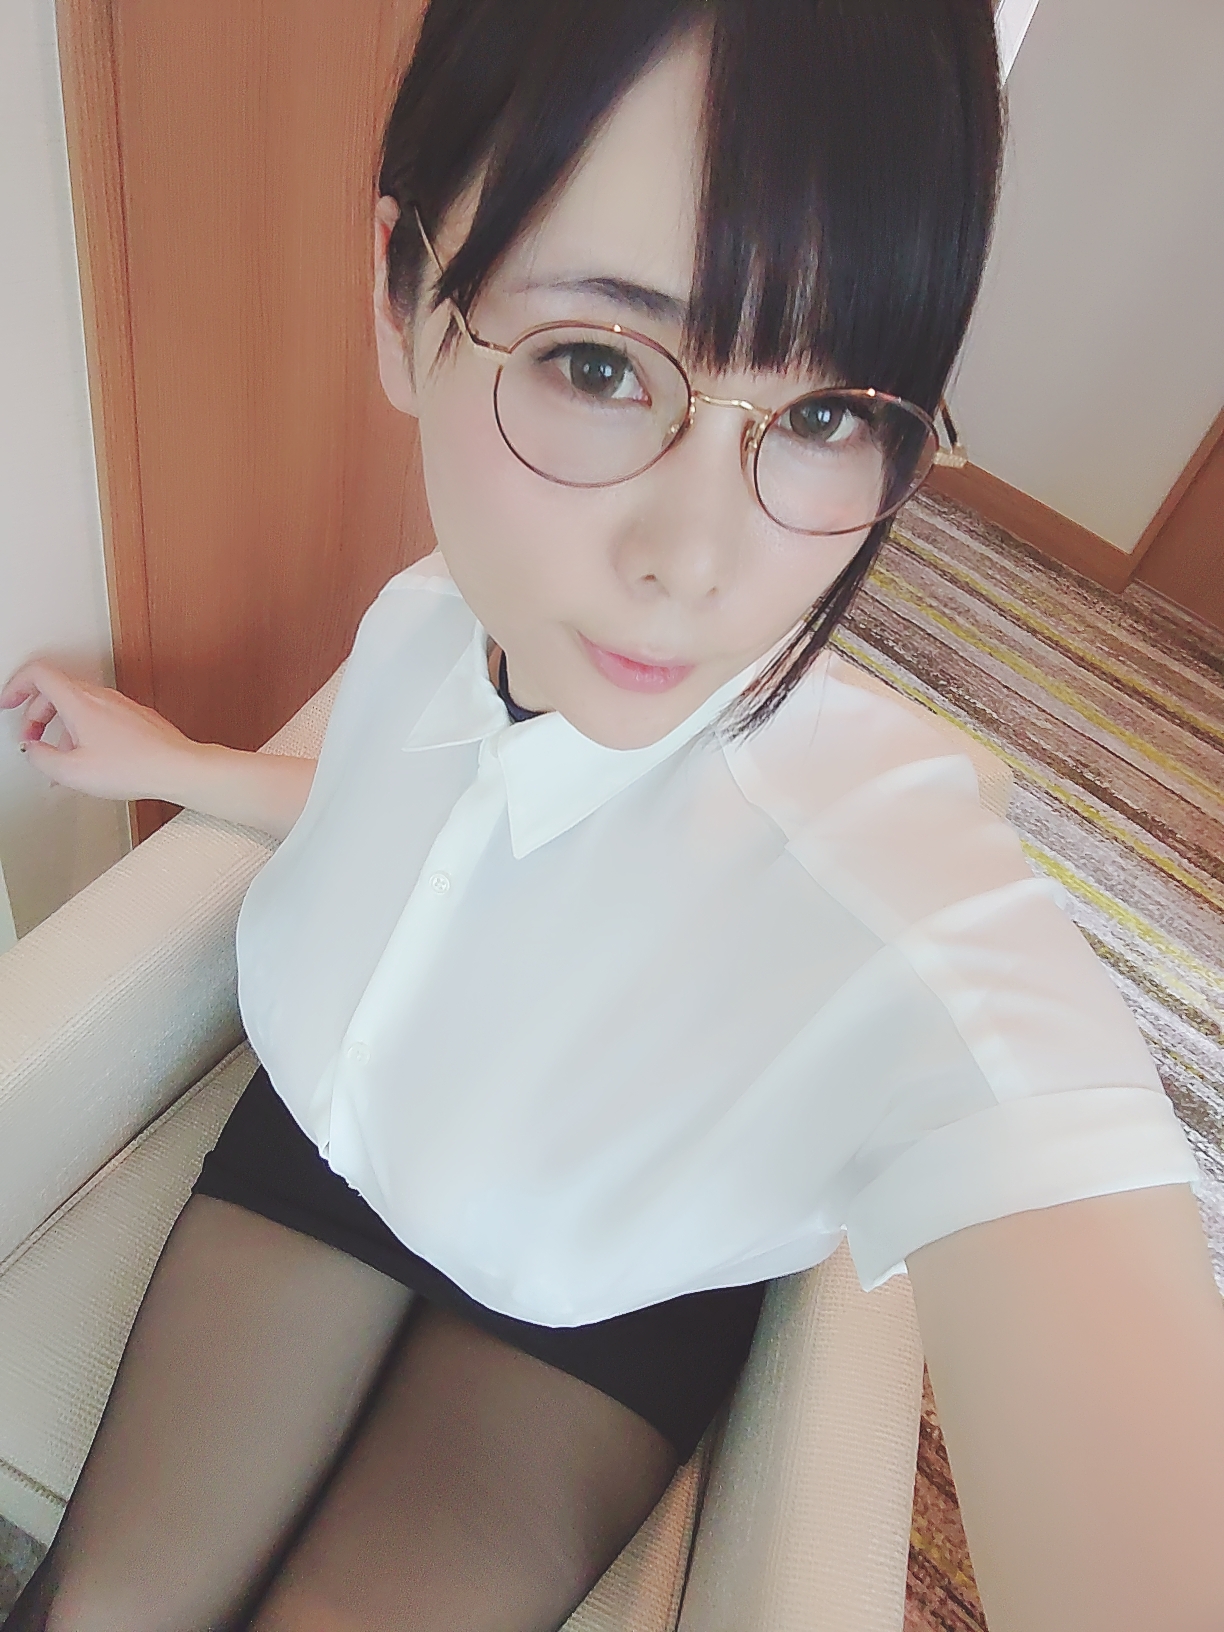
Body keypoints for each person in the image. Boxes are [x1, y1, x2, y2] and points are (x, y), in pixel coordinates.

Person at [3, 1, 1223, 1627]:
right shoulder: (428, 614)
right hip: (334, 1129)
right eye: (598, 364)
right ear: (399, 297)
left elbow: (1038, 1130)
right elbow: (403, 813)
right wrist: (178, 764)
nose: (697, 560)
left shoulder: (890, 868)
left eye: (830, 415)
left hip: (597, 1298)